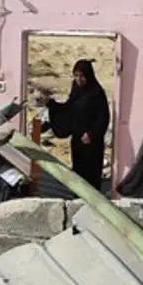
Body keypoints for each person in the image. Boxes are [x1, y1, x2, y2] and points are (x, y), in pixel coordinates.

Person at [38, 59, 110, 190]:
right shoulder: (76, 90)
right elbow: (69, 109)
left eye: (82, 76)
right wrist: (52, 105)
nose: (79, 79)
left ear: (89, 75)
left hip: (92, 144)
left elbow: (103, 118)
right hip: (77, 141)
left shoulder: (97, 93)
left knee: (91, 175)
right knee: (78, 173)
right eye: (76, 75)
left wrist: (91, 134)